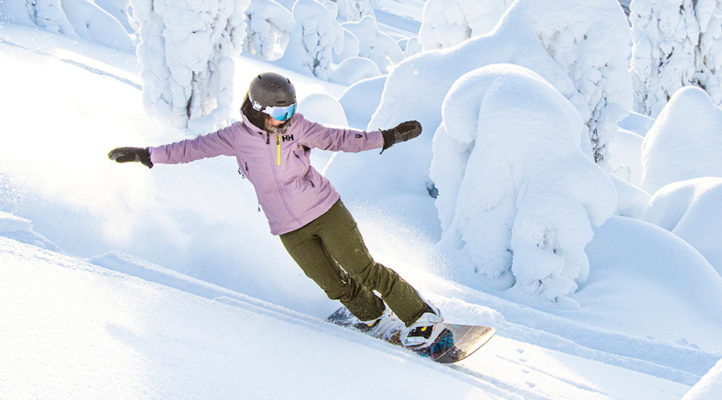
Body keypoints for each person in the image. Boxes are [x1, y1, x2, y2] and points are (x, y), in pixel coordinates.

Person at [108, 72, 443, 348]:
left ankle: (422, 318)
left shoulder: (298, 127)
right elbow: (191, 149)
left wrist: (387, 137)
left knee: (363, 269)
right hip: (287, 226)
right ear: (258, 109)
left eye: (290, 111)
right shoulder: (236, 137)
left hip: (325, 209)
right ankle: (371, 314)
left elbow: (341, 139)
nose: (286, 120)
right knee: (329, 282)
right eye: (280, 114)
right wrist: (148, 155)